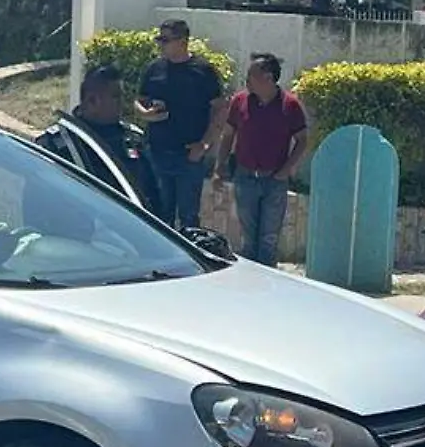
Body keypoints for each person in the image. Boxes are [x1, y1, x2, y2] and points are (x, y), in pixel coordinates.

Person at [215, 53, 308, 267]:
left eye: (251, 75)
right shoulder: (240, 101)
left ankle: (267, 283)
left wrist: (286, 169)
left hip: (274, 180)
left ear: (267, 77)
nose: (247, 80)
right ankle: (249, 286)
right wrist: (219, 168)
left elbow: (302, 140)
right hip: (246, 176)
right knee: (249, 238)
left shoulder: (290, 105)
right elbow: (228, 134)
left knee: (268, 239)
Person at [134, 19, 227, 230]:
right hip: (157, 152)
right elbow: (139, 100)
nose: (161, 45)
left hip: (188, 155)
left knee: (188, 219)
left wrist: (204, 145)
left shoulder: (203, 71)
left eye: (166, 40)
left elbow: (220, 110)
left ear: (183, 41)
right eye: (159, 39)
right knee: (158, 215)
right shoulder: (154, 69)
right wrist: (145, 114)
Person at [37, 64, 163, 216]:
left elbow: (154, 198)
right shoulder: (56, 144)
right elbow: (39, 204)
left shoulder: (133, 139)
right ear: (92, 101)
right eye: (116, 97)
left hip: (129, 234)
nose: (122, 103)